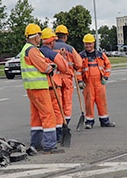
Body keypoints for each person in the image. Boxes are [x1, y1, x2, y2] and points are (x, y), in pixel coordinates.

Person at [18, 23, 64, 153]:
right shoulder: (32, 50)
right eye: (40, 35)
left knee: (36, 117)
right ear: (36, 36)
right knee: (48, 114)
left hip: (31, 88)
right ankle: (50, 145)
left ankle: (36, 143)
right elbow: (44, 67)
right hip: (39, 88)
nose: (41, 38)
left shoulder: (25, 49)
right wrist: (51, 67)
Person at [38, 27, 71, 143]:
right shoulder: (53, 54)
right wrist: (61, 57)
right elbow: (65, 68)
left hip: (40, 88)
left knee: (44, 113)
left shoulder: (36, 53)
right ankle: (57, 136)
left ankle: (44, 137)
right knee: (57, 113)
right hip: (53, 87)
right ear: (51, 41)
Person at [79, 33, 115, 128]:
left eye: (90, 43)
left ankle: (105, 121)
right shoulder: (81, 56)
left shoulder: (100, 55)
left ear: (93, 43)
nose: (88, 46)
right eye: (86, 44)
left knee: (102, 102)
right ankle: (89, 122)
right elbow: (78, 70)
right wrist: (80, 81)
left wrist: (106, 77)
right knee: (89, 103)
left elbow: (108, 65)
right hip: (88, 83)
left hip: (99, 82)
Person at [53, 24, 84, 126]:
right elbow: (79, 63)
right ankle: (65, 123)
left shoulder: (51, 47)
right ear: (65, 36)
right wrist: (74, 66)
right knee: (67, 102)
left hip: (55, 78)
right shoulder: (70, 48)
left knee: (57, 103)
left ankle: (58, 124)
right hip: (67, 78)